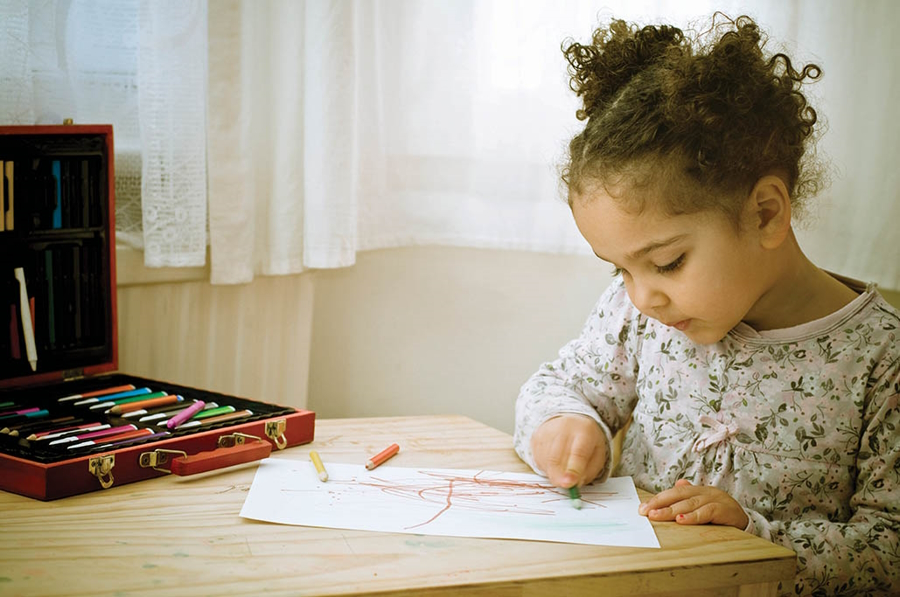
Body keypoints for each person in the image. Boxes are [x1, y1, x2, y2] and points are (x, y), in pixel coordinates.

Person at [513, 13, 899, 597]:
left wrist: (753, 532)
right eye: (621, 268)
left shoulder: (881, 360)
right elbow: (562, 384)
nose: (642, 296)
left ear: (765, 213)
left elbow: (888, 548)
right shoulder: (638, 312)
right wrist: (564, 424)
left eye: (666, 263)